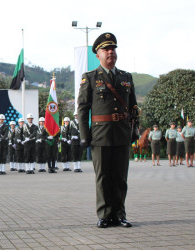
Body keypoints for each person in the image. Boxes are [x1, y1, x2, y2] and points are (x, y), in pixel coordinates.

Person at [78, 32, 138, 228]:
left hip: (121, 132)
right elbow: (83, 108)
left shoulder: (126, 77)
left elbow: (133, 108)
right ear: (98, 54)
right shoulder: (90, 78)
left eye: (113, 49)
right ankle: (105, 215)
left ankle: (119, 214)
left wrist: (134, 131)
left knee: (120, 177)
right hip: (100, 134)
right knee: (103, 176)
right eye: (106, 49)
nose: (110, 52)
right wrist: (85, 136)